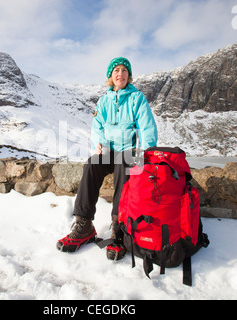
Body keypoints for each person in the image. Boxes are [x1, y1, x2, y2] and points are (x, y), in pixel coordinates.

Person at [56, 57, 158, 260]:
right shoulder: (104, 101)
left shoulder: (137, 98)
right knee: (92, 164)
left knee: (123, 164)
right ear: (111, 76)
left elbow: (147, 128)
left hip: (129, 151)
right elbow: (97, 127)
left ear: (129, 76)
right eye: (116, 71)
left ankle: (119, 229)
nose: (120, 74)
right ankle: (84, 224)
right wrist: (100, 143)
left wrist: (147, 152)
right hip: (109, 151)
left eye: (124, 70)